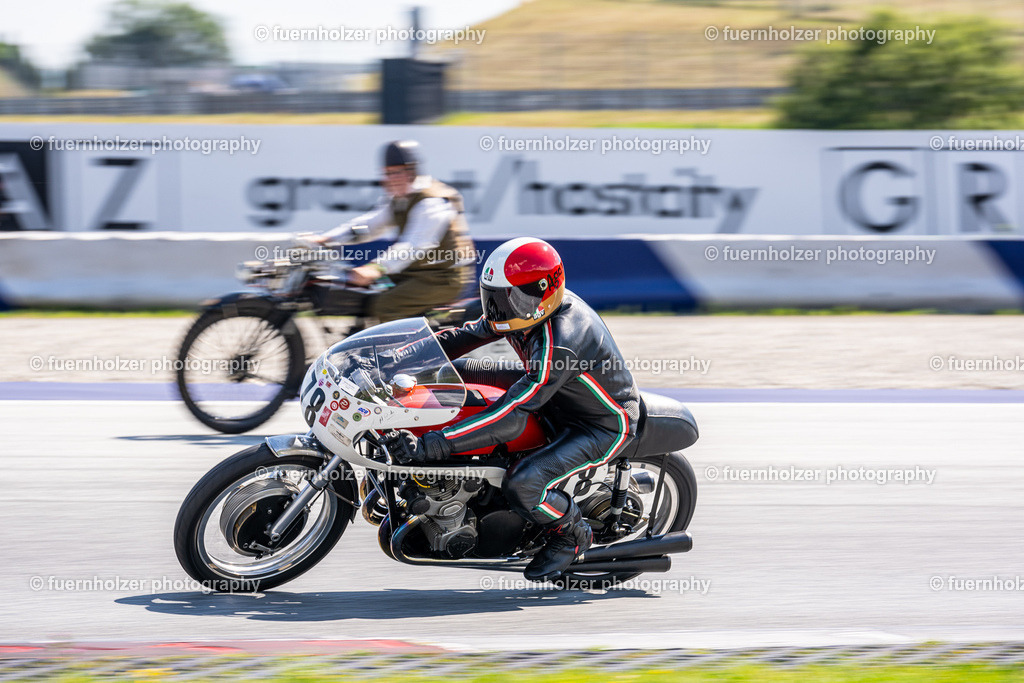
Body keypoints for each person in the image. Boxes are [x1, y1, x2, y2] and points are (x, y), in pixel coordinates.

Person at [386, 237, 641, 582]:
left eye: (513, 299)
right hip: (554, 398)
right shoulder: (516, 314)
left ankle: (573, 533)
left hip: (599, 424)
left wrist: (438, 442)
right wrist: (394, 359)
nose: (499, 310)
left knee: (523, 483)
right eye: (494, 298)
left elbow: (514, 413)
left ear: (544, 291)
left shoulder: (562, 340)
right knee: (460, 370)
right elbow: (461, 337)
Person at [303, 140, 476, 322]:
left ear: (412, 172)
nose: (391, 179)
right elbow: (368, 226)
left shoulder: (432, 202)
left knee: (386, 306)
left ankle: (405, 350)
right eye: (387, 173)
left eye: (397, 172)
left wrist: (376, 268)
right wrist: (327, 239)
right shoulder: (398, 198)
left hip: (443, 278)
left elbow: (414, 245)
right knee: (363, 295)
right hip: (413, 273)